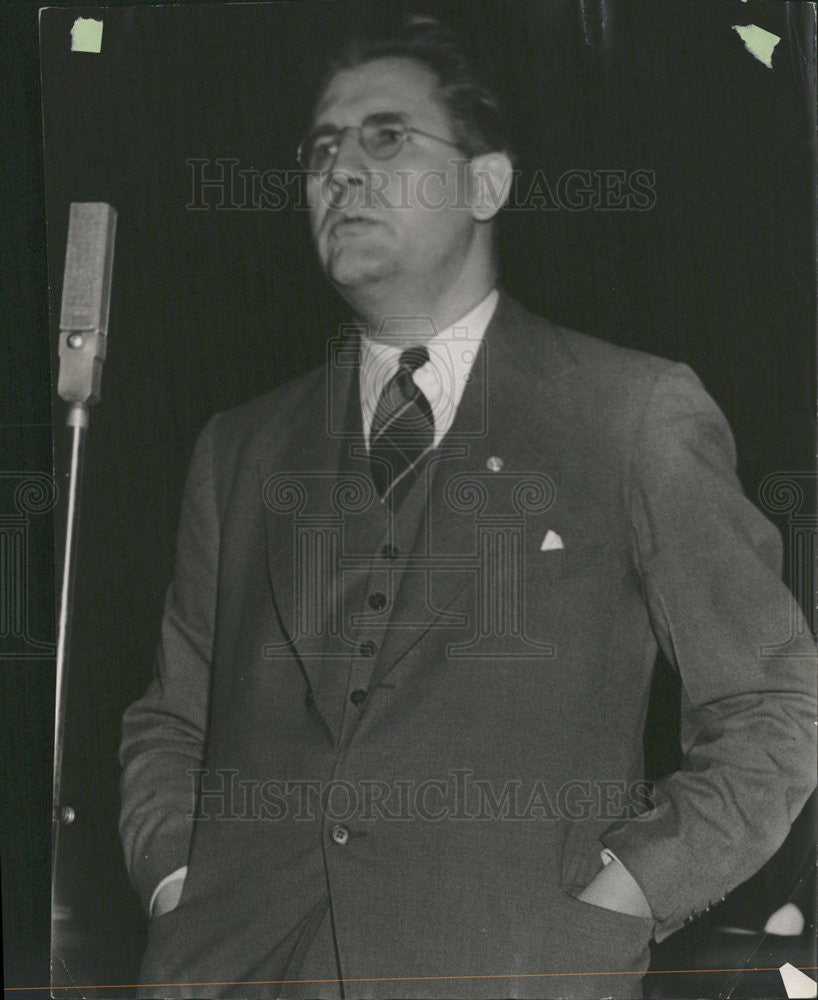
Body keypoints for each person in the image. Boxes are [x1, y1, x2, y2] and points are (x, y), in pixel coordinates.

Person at [119, 16, 817, 1000]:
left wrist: (629, 890)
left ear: (486, 183)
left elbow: (773, 707)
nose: (340, 172)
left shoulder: (631, 413)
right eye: (321, 148)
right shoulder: (237, 448)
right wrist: (177, 885)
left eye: (386, 137)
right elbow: (169, 719)